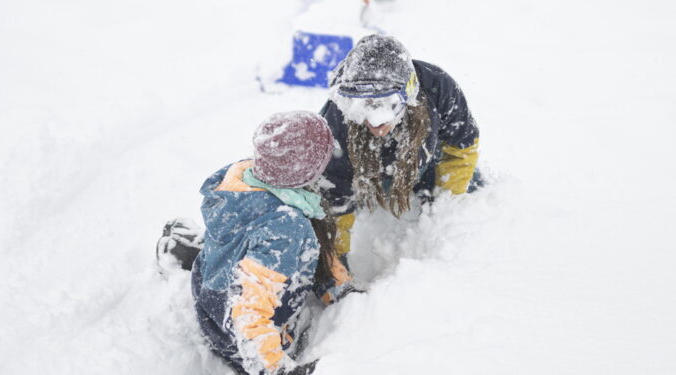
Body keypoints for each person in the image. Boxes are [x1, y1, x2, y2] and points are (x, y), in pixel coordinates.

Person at [191, 111, 356, 375]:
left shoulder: (240, 179)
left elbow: (312, 241)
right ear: (307, 170)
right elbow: (248, 314)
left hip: (210, 289)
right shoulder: (285, 227)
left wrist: (338, 286)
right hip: (235, 336)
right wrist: (275, 368)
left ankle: (188, 250)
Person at [319, 34, 482, 258]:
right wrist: (336, 263)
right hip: (366, 176)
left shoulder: (439, 88)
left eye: (389, 104)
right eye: (366, 106)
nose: (376, 122)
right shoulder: (337, 122)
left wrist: (444, 208)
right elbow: (333, 192)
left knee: (474, 190)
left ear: (409, 93)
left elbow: (461, 147)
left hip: (426, 165)